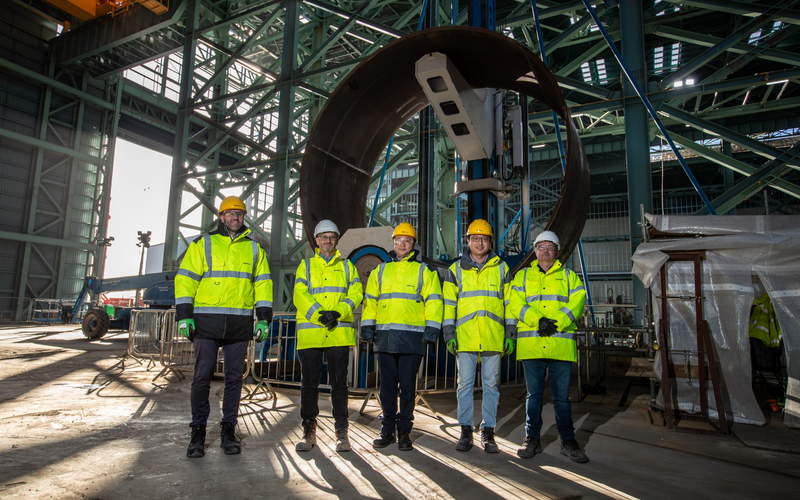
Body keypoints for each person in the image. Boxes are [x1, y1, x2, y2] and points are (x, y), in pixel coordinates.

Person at [175, 195, 273, 458]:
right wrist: (184, 315)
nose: (235, 218)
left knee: (233, 378)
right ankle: (198, 432)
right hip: (206, 322)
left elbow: (263, 284)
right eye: (230, 213)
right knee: (201, 376)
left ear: (243, 218)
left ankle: (228, 429)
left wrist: (263, 318)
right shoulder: (203, 244)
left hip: (239, 323)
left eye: (239, 214)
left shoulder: (254, 249)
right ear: (220, 217)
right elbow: (185, 280)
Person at [506, 230, 588, 463]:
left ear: (557, 251)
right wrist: (537, 321)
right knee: (534, 396)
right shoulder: (522, 277)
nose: (545, 251)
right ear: (534, 251)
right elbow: (515, 303)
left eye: (550, 247)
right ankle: (532, 439)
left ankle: (568, 440)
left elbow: (578, 301)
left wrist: (558, 323)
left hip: (559, 346)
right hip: (532, 346)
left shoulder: (569, 276)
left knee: (562, 398)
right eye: (541, 247)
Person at [361, 222, 443, 451]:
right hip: (385, 338)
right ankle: (387, 429)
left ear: (413, 244)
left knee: (407, 388)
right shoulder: (380, 271)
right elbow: (371, 302)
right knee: (387, 387)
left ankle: (404, 430)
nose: (403, 244)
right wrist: (367, 327)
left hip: (412, 338)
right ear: (393, 243)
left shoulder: (424, 271)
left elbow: (434, 301)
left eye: (407, 241)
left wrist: (432, 328)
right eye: (399, 240)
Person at [443, 219, 515, 453]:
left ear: (490, 241)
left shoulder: (501, 268)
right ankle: (465, 431)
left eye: (484, 238)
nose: (480, 242)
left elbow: (510, 304)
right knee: (464, 386)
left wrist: (510, 334)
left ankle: (488, 433)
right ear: (468, 241)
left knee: (491, 387)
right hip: (465, 339)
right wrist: (449, 333)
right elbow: (448, 305)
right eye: (475, 238)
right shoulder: (455, 270)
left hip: (494, 337)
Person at [293, 220, 363, 453]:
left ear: (337, 240)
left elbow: (356, 293)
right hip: (312, 333)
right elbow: (299, 295)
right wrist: (318, 315)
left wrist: (338, 312)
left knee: (339, 386)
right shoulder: (306, 266)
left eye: (332, 237)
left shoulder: (347, 267)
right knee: (309, 385)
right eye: (324, 237)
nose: (328, 241)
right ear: (317, 240)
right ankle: (308, 430)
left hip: (338, 334)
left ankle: (341, 432)